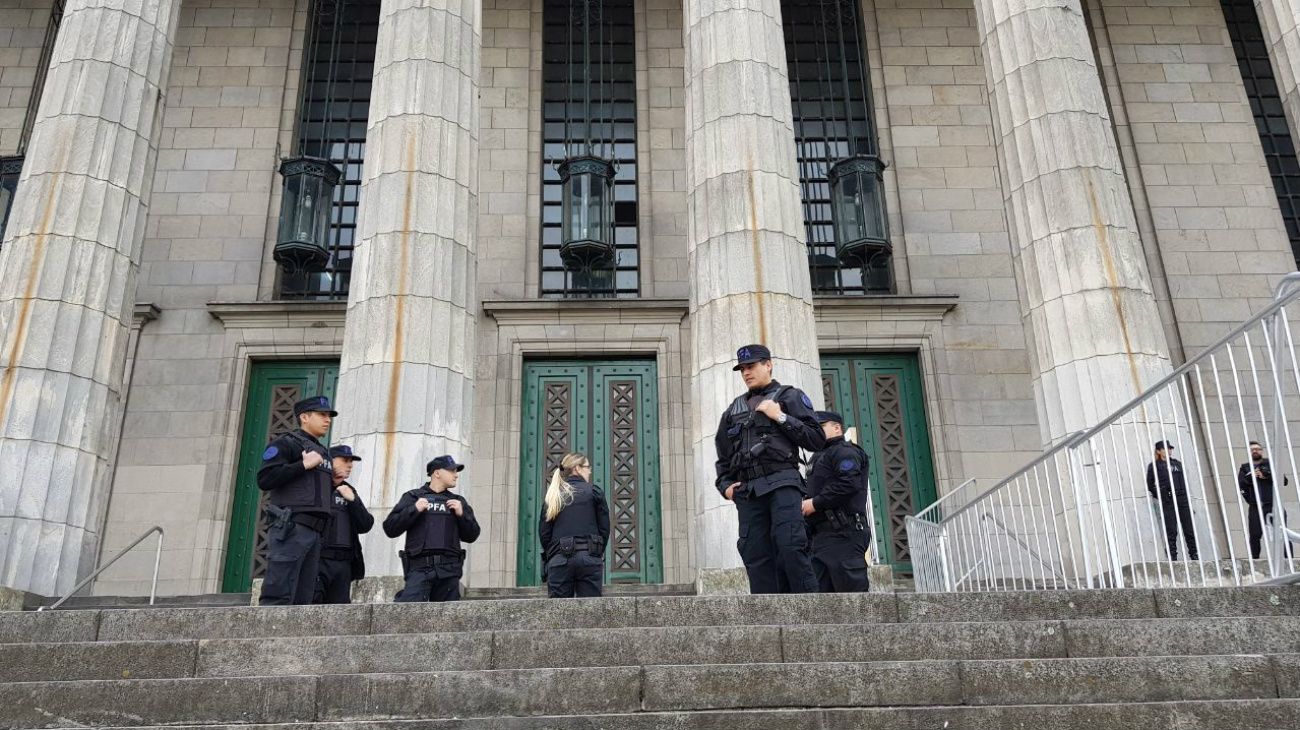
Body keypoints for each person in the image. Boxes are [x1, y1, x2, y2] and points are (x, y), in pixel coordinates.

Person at [714, 344, 826, 594]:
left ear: (768, 365)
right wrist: (725, 487)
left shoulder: (789, 396)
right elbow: (723, 457)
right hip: (749, 491)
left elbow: (816, 439)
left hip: (783, 483)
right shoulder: (733, 410)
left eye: (751, 366)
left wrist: (781, 417)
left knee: (791, 546)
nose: (746, 373)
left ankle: (809, 612)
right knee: (755, 553)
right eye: (742, 369)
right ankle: (766, 616)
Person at [255, 395, 337, 605]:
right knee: (280, 591)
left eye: (329, 416)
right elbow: (265, 479)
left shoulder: (323, 452)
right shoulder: (286, 443)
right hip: (293, 527)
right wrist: (302, 465)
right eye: (322, 415)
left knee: (304, 596)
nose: (327, 420)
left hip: (315, 532)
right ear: (304, 417)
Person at [383, 455, 481, 602]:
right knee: (406, 614)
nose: (456, 475)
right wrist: (414, 509)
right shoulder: (413, 497)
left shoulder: (458, 501)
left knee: (446, 621)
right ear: (437, 473)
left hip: (449, 570)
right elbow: (390, 528)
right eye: (452, 471)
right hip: (419, 569)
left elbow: (472, 535)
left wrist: (462, 515)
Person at [802, 411, 871, 592]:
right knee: (821, 602)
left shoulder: (845, 451)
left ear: (837, 427)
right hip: (820, 537)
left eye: (821, 427)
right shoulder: (818, 457)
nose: (816, 431)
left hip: (844, 532)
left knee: (852, 599)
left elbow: (848, 484)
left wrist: (815, 503)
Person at [539, 452, 611, 598]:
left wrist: (554, 554)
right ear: (577, 468)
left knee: (558, 614)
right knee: (590, 614)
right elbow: (604, 529)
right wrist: (596, 551)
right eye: (587, 467)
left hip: (559, 561)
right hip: (590, 558)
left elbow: (544, 533)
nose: (590, 470)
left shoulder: (554, 495)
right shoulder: (594, 492)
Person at [313, 445, 374, 604]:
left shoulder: (349, 490)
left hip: (343, 564)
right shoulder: (316, 486)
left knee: (340, 613)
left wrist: (353, 501)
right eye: (345, 460)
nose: (350, 465)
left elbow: (365, 525)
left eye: (351, 462)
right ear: (330, 461)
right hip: (319, 560)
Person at [1145, 439, 1199, 561]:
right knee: (1171, 530)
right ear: (1159, 451)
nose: (1169, 450)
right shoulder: (1154, 466)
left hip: (1182, 498)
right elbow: (1150, 485)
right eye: (1165, 448)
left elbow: (1184, 480)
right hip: (1168, 499)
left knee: (1189, 528)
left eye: (1170, 448)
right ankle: (1172, 556)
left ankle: (1194, 554)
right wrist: (1161, 495)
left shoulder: (1177, 464)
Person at [1238, 440, 1289, 559]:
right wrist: (1251, 478)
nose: (1255, 451)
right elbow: (1242, 485)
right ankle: (1254, 561)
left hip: (1273, 505)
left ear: (1262, 451)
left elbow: (1284, 481)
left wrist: (1267, 475)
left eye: (1257, 449)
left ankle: (1288, 559)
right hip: (1256, 506)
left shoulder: (1271, 464)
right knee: (1255, 535)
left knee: (1283, 533)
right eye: (1252, 449)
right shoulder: (1245, 468)